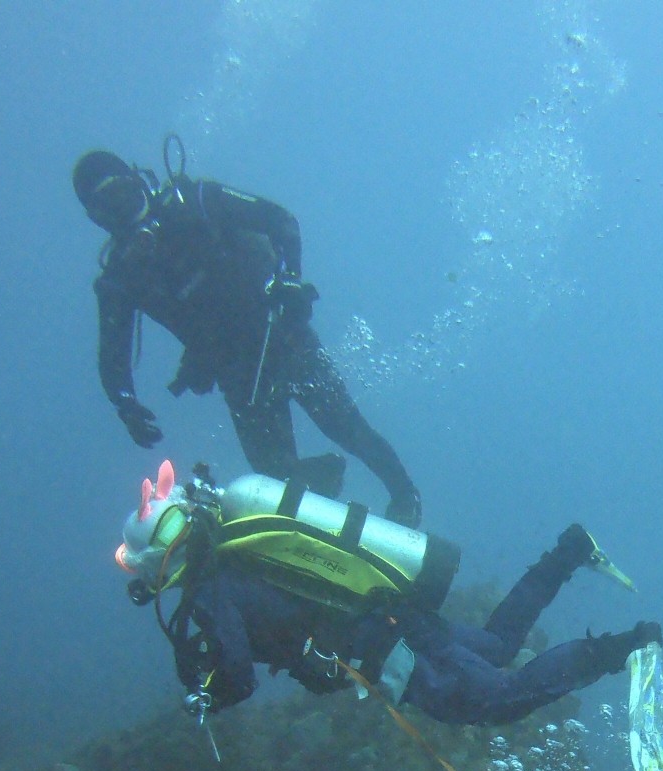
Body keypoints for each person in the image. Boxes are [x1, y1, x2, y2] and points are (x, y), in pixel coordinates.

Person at [118, 464, 656, 729]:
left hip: (381, 643)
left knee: (494, 701)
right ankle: (568, 553)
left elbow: (240, 674)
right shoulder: (241, 547)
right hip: (389, 612)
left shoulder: (212, 589)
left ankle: (624, 649)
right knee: (497, 645)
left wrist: (208, 697)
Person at [74, 140, 425, 527]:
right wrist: (124, 404)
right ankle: (320, 492)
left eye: (121, 193)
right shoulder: (121, 278)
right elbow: (113, 354)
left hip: (284, 336)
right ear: (97, 219)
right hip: (236, 371)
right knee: (272, 479)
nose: (121, 210)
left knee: (347, 428)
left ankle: (404, 496)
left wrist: (290, 279)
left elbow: (281, 221)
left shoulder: (197, 201)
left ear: (137, 181)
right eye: (105, 207)